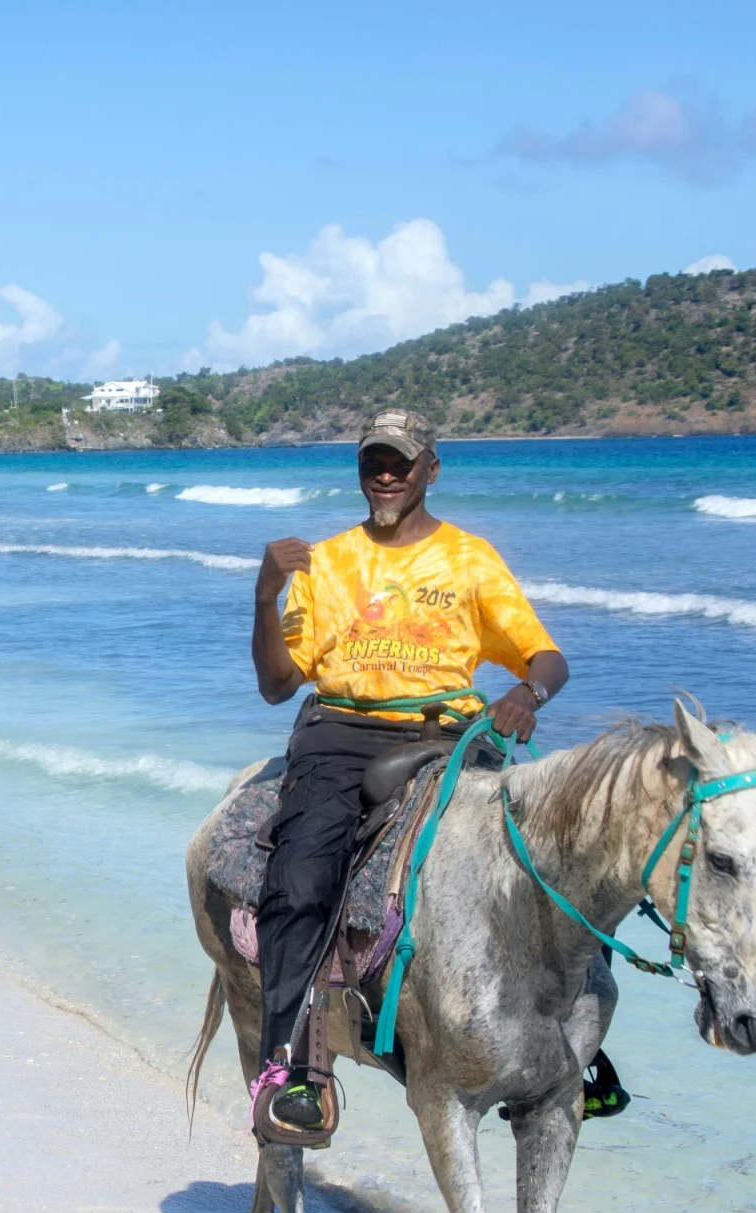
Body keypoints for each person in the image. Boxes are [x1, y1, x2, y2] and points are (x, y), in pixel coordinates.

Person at [248, 407, 600, 1137]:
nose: (385, 474)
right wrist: (264, 595)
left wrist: (525, 693)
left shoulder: (470, 558)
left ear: (430, 469)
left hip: (452, 732)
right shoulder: (326, 562)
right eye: (373, 461)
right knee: (302, 873)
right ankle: (291, 1067)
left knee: (545, 861)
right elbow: (278, 684)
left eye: (400, 462)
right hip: (342, 730)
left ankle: (578, 1050)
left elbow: (547, 656)